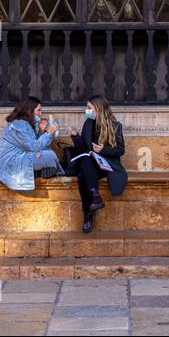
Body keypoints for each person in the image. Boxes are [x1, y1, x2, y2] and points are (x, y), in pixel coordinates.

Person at [64, 95, 127, 233]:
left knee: (83, 171)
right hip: (91, 165)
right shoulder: (88, 123)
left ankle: (88, 213)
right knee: (82, 172)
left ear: (97, 109)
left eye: (89, 108)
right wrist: (75, 135)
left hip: (106, 165)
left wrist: (103, 150)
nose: (87, 111)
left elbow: (120, 150)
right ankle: (94, 199)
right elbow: (83, 149)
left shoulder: (115, 126)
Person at [0, 96, 63, 192]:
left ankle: (38, 171)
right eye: (38, 110)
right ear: (29, 111)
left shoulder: (25, 124)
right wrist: (48, 133)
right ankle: (38, 172)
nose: (40, 113)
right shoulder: (19, 125)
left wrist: (42, 131)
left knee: (49, 153)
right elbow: (34, 146)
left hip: (23, 156)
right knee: (49, 156)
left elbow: (35, 145)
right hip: (11, 163)